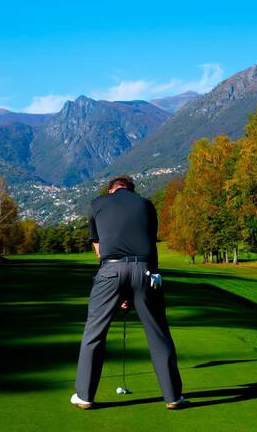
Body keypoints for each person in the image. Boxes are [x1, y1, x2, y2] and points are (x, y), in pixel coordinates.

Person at [70, 176, 185, 410]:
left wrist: (120, 293)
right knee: (158, 333)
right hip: (145, 270)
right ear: (131, 190)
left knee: (94, 333)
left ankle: (84, 396)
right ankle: (173, 397)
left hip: (110, 270)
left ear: (111, 190)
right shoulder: (145, 204)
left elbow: (99, 250)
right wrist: (139, 285)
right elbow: (150, 243)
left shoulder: (97, 204)